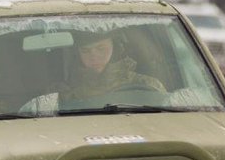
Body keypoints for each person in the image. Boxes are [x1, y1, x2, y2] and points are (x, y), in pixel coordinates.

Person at [21, 30, 164, 114]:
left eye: (101, 48)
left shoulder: (147, 86)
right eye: (85, 51)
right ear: (77, 54)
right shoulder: (59, 95)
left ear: (117, 49)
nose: (94, 56)